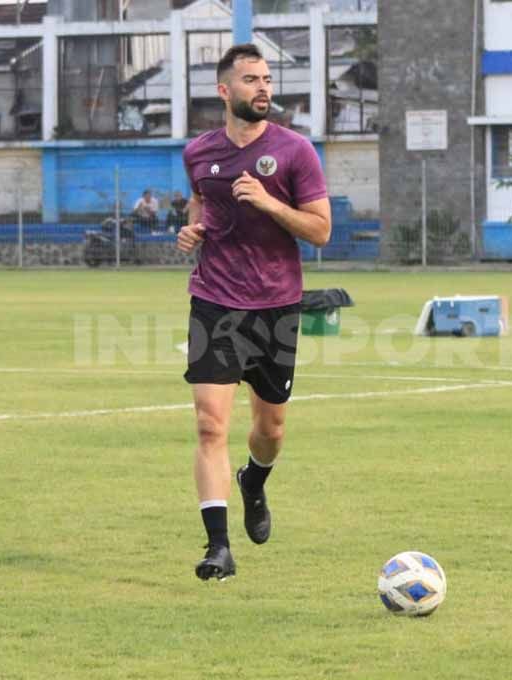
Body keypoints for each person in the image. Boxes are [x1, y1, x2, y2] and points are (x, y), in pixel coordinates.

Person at [175, 44, 331, 581]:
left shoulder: (296, 152)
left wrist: (268, 202)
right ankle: (218, 547)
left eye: (267, 79)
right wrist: (191, 228)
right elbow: (200, 201)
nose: (263, 87)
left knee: (271, 429)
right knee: (208, 423)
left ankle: (255, 482)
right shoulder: (198, 151)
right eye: (251, 79)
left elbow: (320, 230)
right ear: (225, 91)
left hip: (276, 304)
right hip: (215, 300)